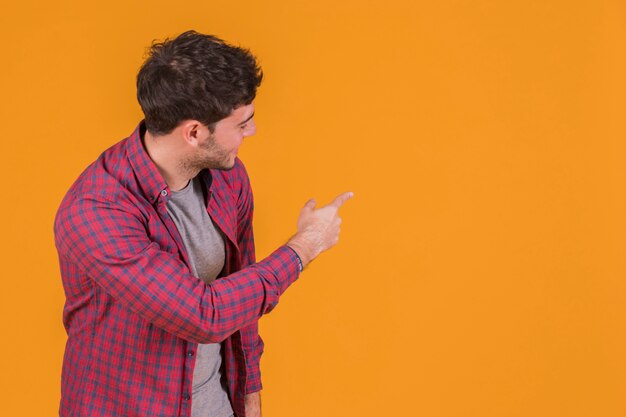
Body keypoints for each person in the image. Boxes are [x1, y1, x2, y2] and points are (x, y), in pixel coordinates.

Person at [54, 30, 352, 417]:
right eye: (242, 123)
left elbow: (241, 298)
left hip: (214, 405)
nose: (252, 132)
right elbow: (202, 314)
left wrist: (249, 397)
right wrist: (305, 245)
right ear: (194, 132)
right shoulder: (96, 211)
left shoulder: (228, 177)